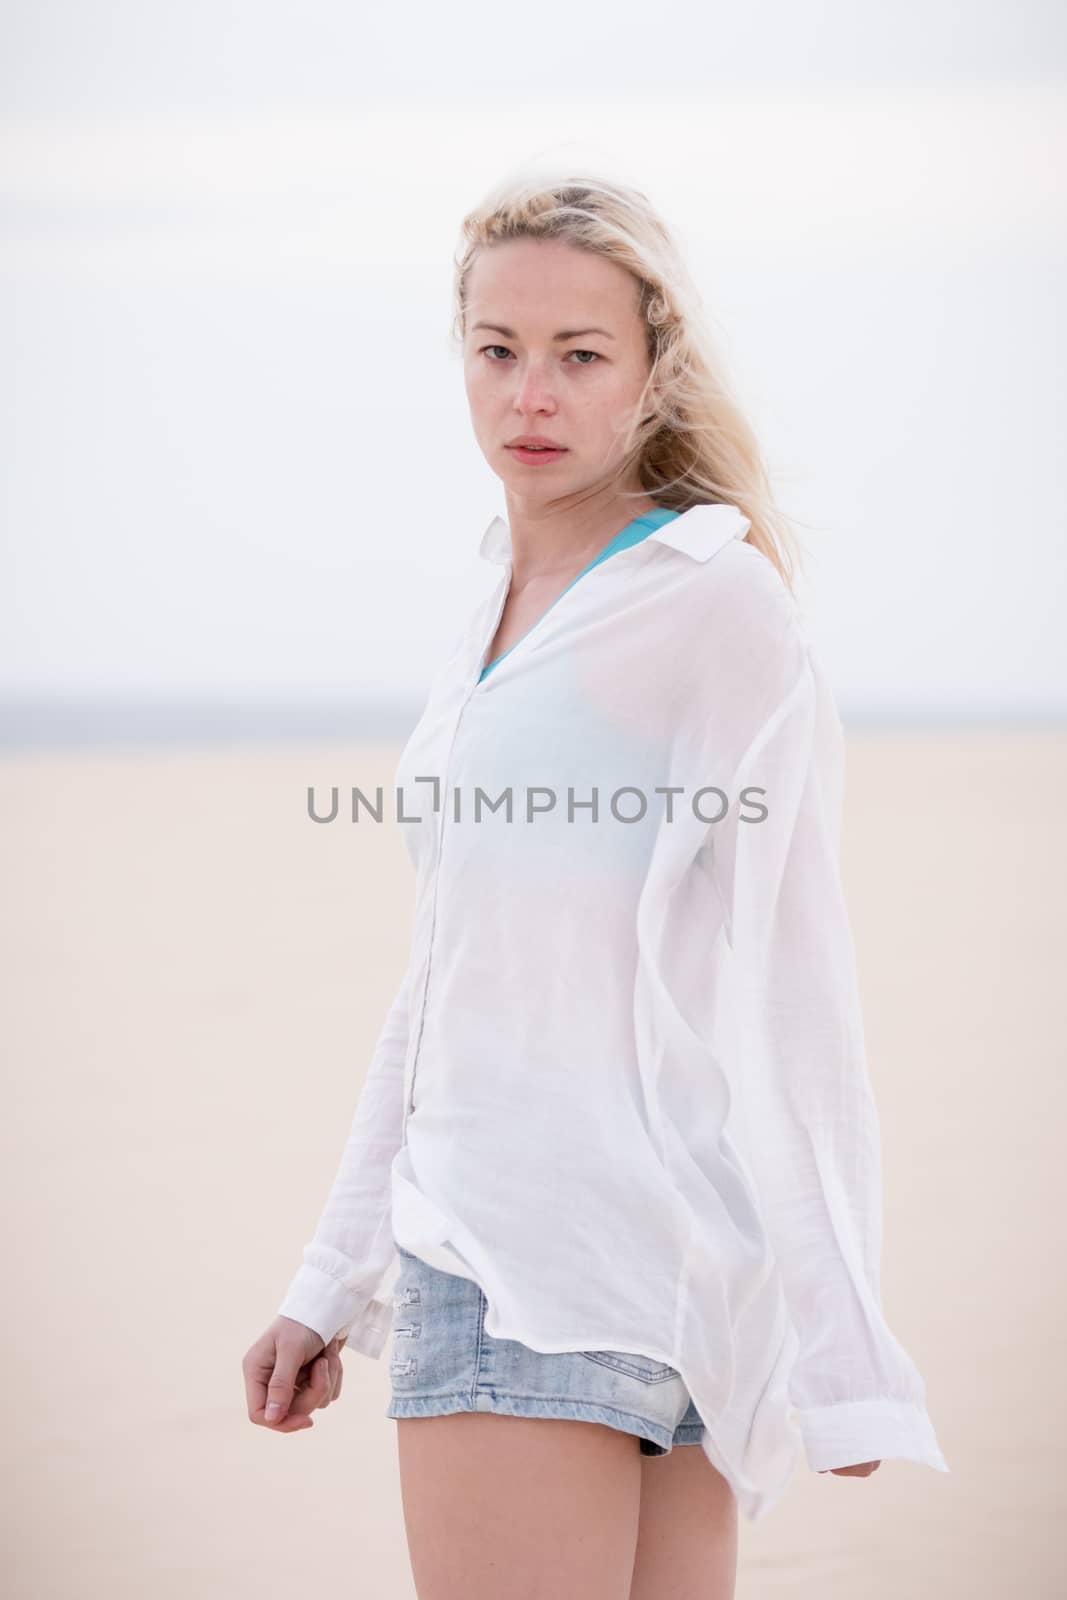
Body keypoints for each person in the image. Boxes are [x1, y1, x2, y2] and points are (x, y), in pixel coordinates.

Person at [242, 168, 948, 1598]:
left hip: (650, 1288)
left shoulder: (709, 599)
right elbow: (450, 982)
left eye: (579, 355)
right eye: (497, 350)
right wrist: (333, 1280)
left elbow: (790, 972)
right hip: (515, 1246)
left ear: (653, 371)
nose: (530, 395)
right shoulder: (492, 607)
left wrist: (843, 1334)